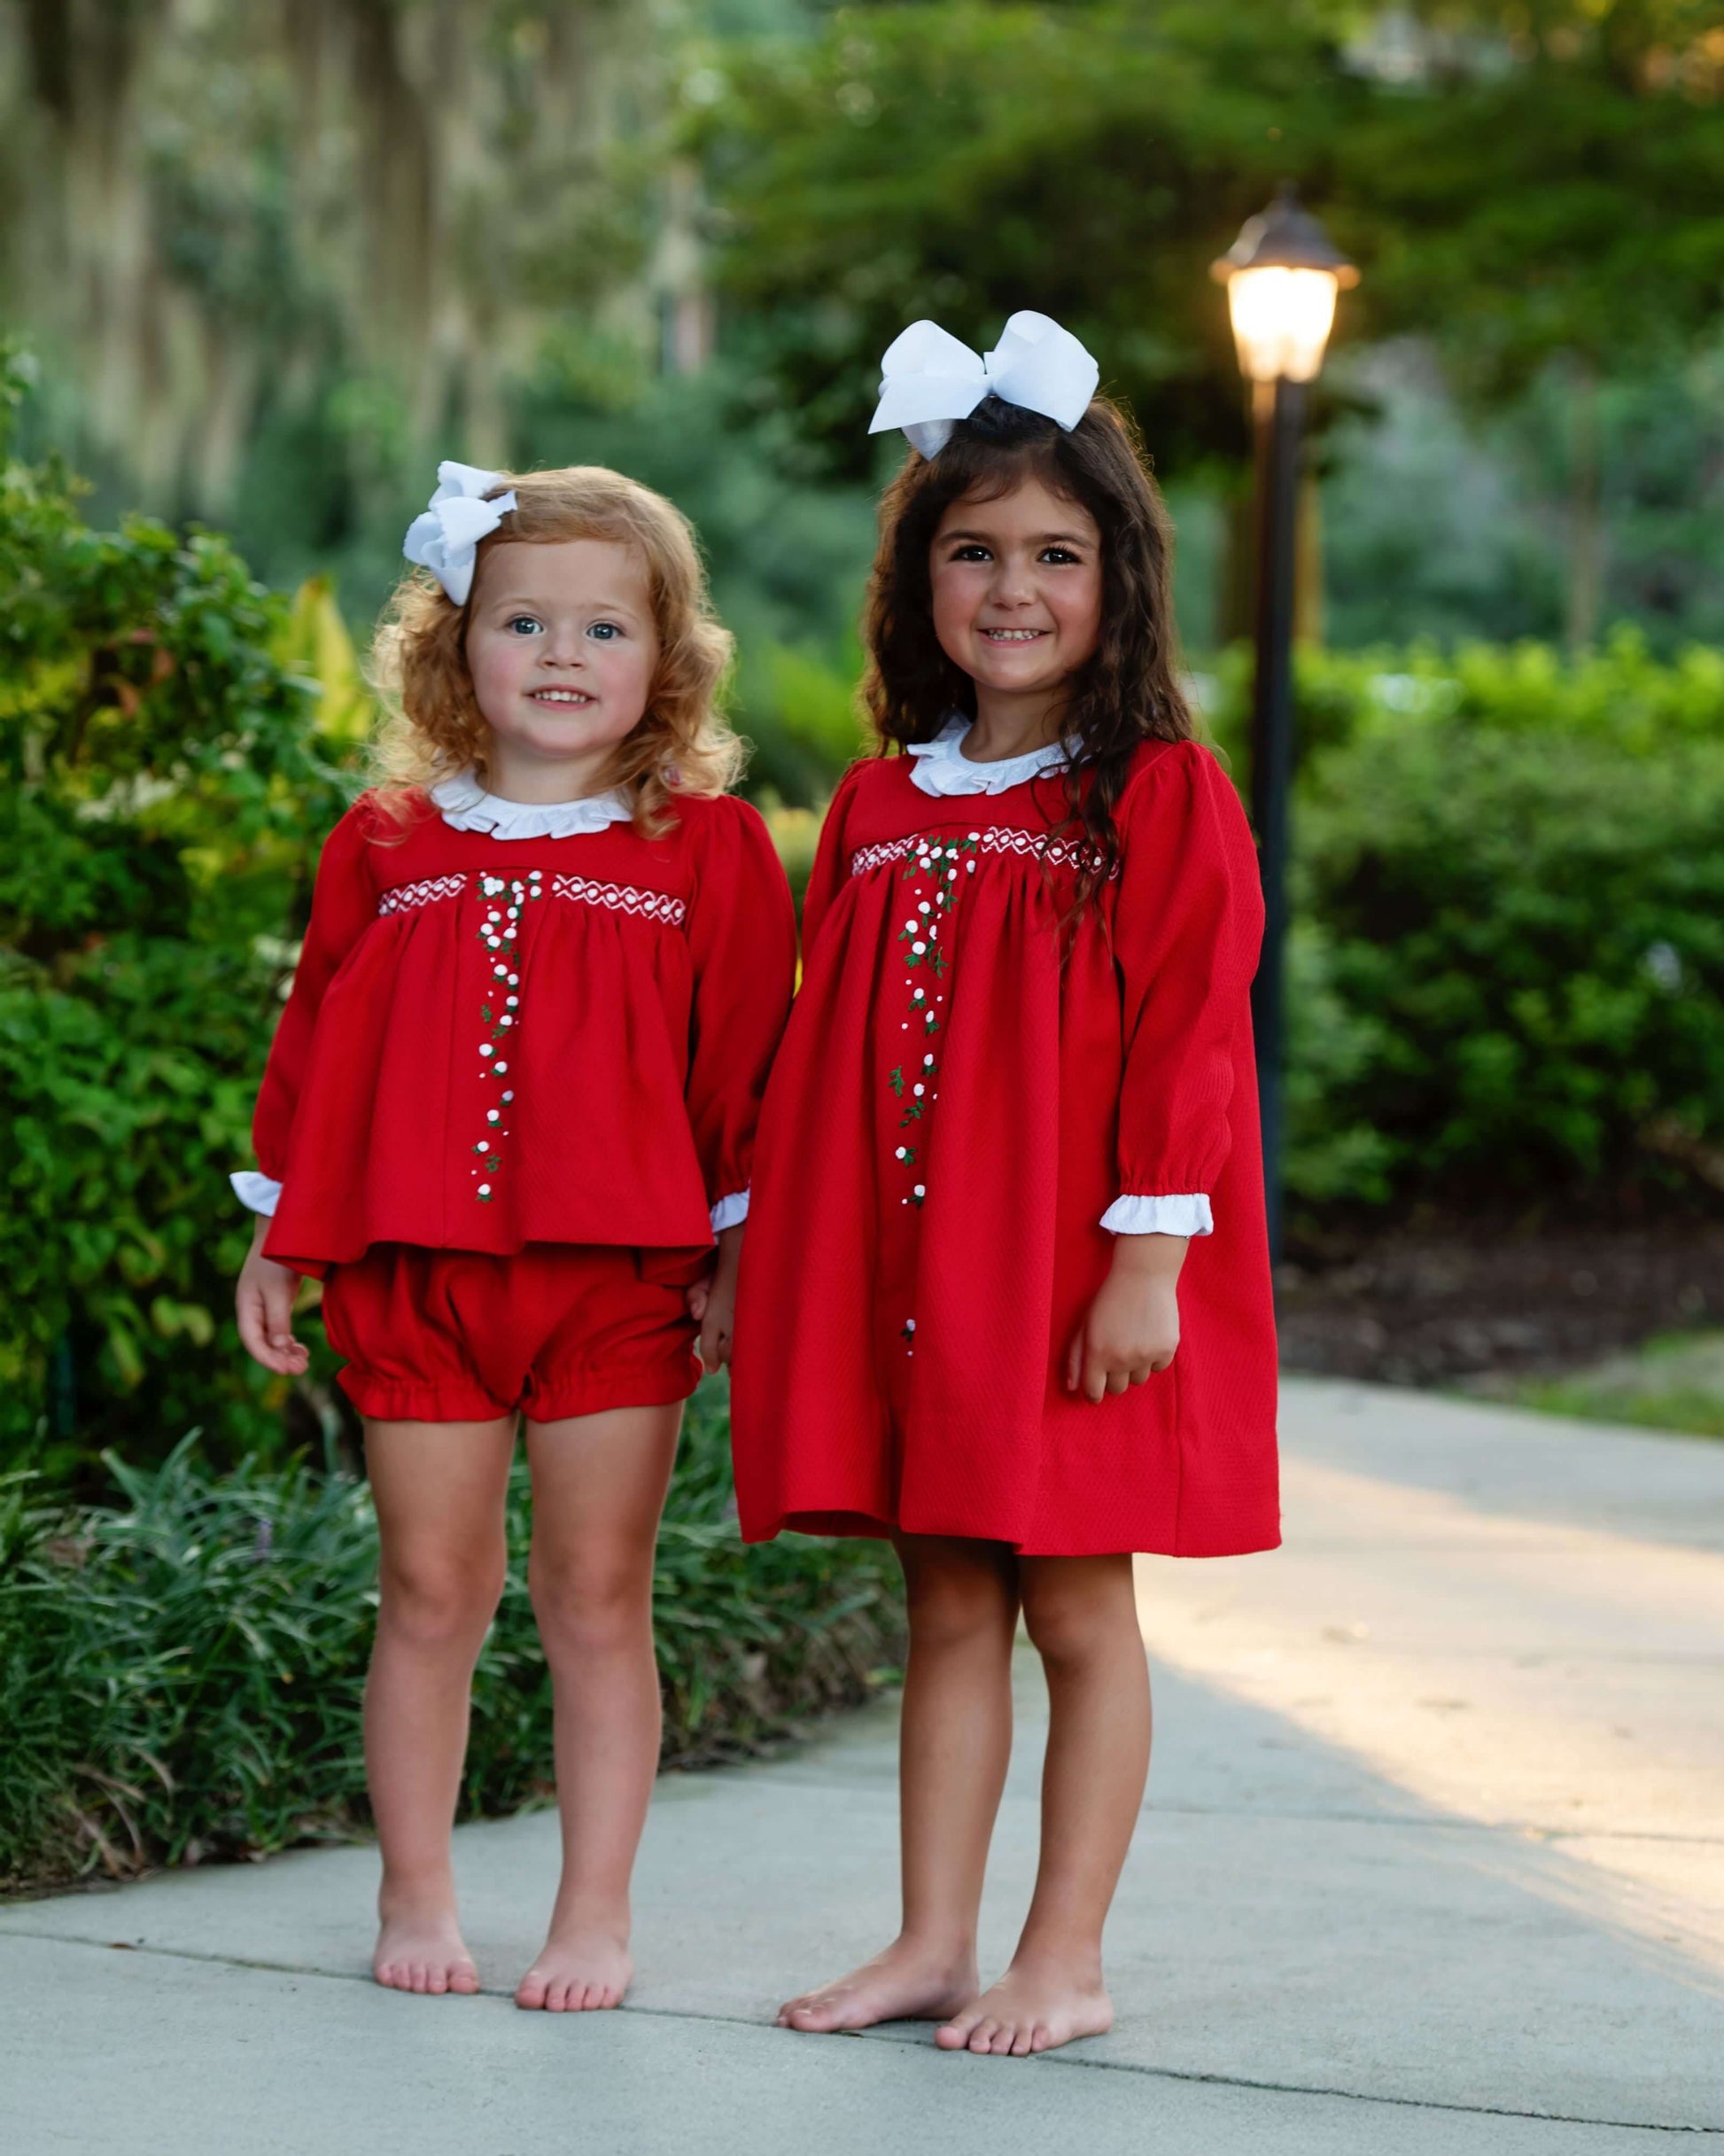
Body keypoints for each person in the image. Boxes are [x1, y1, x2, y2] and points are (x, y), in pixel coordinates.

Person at [730, 315, 1279, 2057]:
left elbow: (1193, 1030)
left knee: (1074, 1600)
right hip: (916, 1271)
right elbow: (824, 1054)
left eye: (1056, 552)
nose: (1013, 587)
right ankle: (928, 1936)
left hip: (1067, 1270)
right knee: (946, 1593)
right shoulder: (884, 805)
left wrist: (1148, 1253)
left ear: (1121, 577)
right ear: (918, 583)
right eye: (973, 552)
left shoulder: (1155, 796)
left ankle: (1068, 1951)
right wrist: (775, 1252)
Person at [233, 461, 795, 2009]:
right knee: (430, 1591)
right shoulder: (388, 840)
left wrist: (742, 1257)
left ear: (665, 662)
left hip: (619, 1285)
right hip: (414, 1276)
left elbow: (745, 1073)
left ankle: (593, 1914)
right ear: (454, 647)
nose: (562, 654)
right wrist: (279, 1230)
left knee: (595, 1596)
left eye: (604, 628)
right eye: (522, 620)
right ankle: (417, 1893)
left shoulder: (707, 851)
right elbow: (313, 1047)